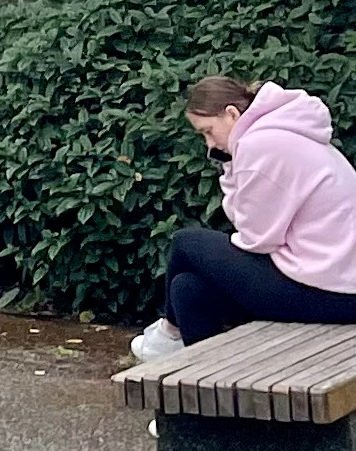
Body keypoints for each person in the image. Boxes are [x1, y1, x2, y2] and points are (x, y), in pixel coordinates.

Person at [130, 73, 356, 365]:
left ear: (231, 114)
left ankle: (168, 334)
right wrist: (230, 166)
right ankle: (198, 405)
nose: (209, 143)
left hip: (330, 291)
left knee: (185, 243)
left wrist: (234, 167)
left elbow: (256, 238)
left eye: (208, 131)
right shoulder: (287, 131)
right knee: (188, 288)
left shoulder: (259, 145)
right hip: (336, 284)